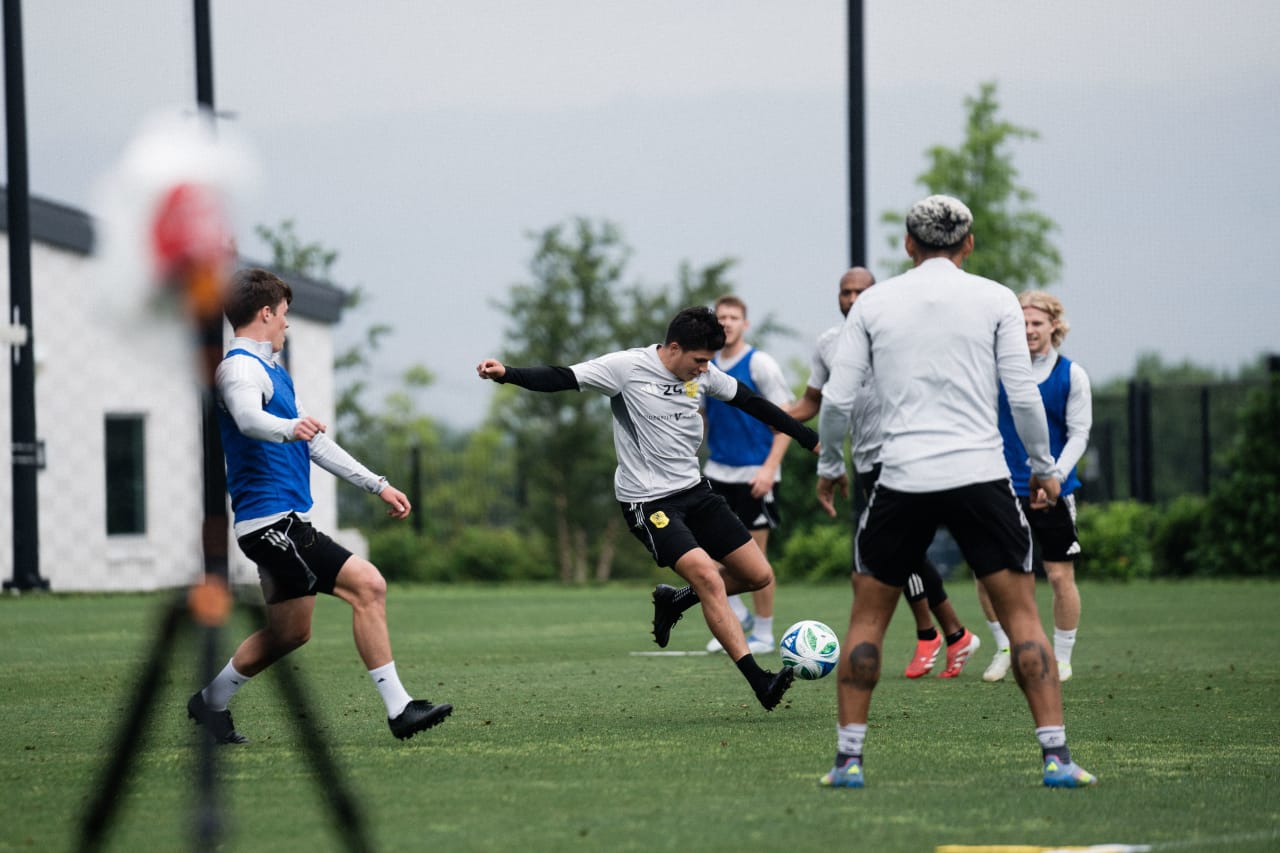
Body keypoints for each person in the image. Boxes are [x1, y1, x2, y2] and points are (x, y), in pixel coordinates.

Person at [814, 195, 1097, 789]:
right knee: (1023, 617)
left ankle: (848, 762)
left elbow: (837, 399)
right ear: (968, 244)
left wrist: (829, 465)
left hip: (901, 477)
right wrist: (1044, 468)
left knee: (868, 620)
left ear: (908, 245)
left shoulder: (874, 303)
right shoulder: (996, 298)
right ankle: (1056, 758)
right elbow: (1022, 396)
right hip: (981, 476)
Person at [476, 306, 820, 711]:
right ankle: (759, 681)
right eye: (698, 360)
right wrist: (507, 373)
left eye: (708, 362)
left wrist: (806, 436)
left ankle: (677, 600)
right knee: (709, 577)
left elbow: (751, 402)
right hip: (648, 500)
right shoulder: (626, 368)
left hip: (695, 491)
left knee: (758, 575)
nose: (704, 369)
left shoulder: (702, 374)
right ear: (673, 348)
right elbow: (562, 377)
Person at [187, 268, 452, 744]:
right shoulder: (239, 369)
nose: (287, 324)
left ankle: (210, 702)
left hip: (281, 522)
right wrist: (291, 429)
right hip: (271, 523)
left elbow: (315, 442)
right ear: (265, 313)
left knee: (292, 632)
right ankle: (400, 709)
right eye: (284, 314)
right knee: (368, 586)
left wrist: (377, 484)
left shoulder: (273, 372)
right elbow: (248, 419)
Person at [793, 268, 979, 679]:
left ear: (876, 295)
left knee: (887, 548)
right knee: (904, 549)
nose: (852, 298)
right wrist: (767, 416)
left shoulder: (899, 335)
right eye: (845, 291)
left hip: (901, 454)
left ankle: (933, 634)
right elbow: (811, 403)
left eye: (861, 291)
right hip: (864, 461)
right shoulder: (828, 344)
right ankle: (953, 634)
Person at [979, 290, 1092, 683]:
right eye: (1022, 322)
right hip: (1001, 487)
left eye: (1036, 323)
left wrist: (1053, 476)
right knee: (990, 574)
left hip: (1054, 490)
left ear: (1054, 326)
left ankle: (1061, 659)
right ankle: (1005, 648)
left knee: (1059, 576)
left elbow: (1079, 434)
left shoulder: (1071, 375)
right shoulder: (997, 373)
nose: (1028, 330)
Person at [701, 295, 792, 655]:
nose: (726, 322)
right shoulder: (703, 365)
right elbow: (699, 417)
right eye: (721, 317)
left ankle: (765, 633)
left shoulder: (760, 364)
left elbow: (786, 421)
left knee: (755, 558)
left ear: (745, 324)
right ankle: (736, 616)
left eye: (733, 317)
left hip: (756, 473)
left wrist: (769, 469)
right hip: (717, 472)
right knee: (707, 552)